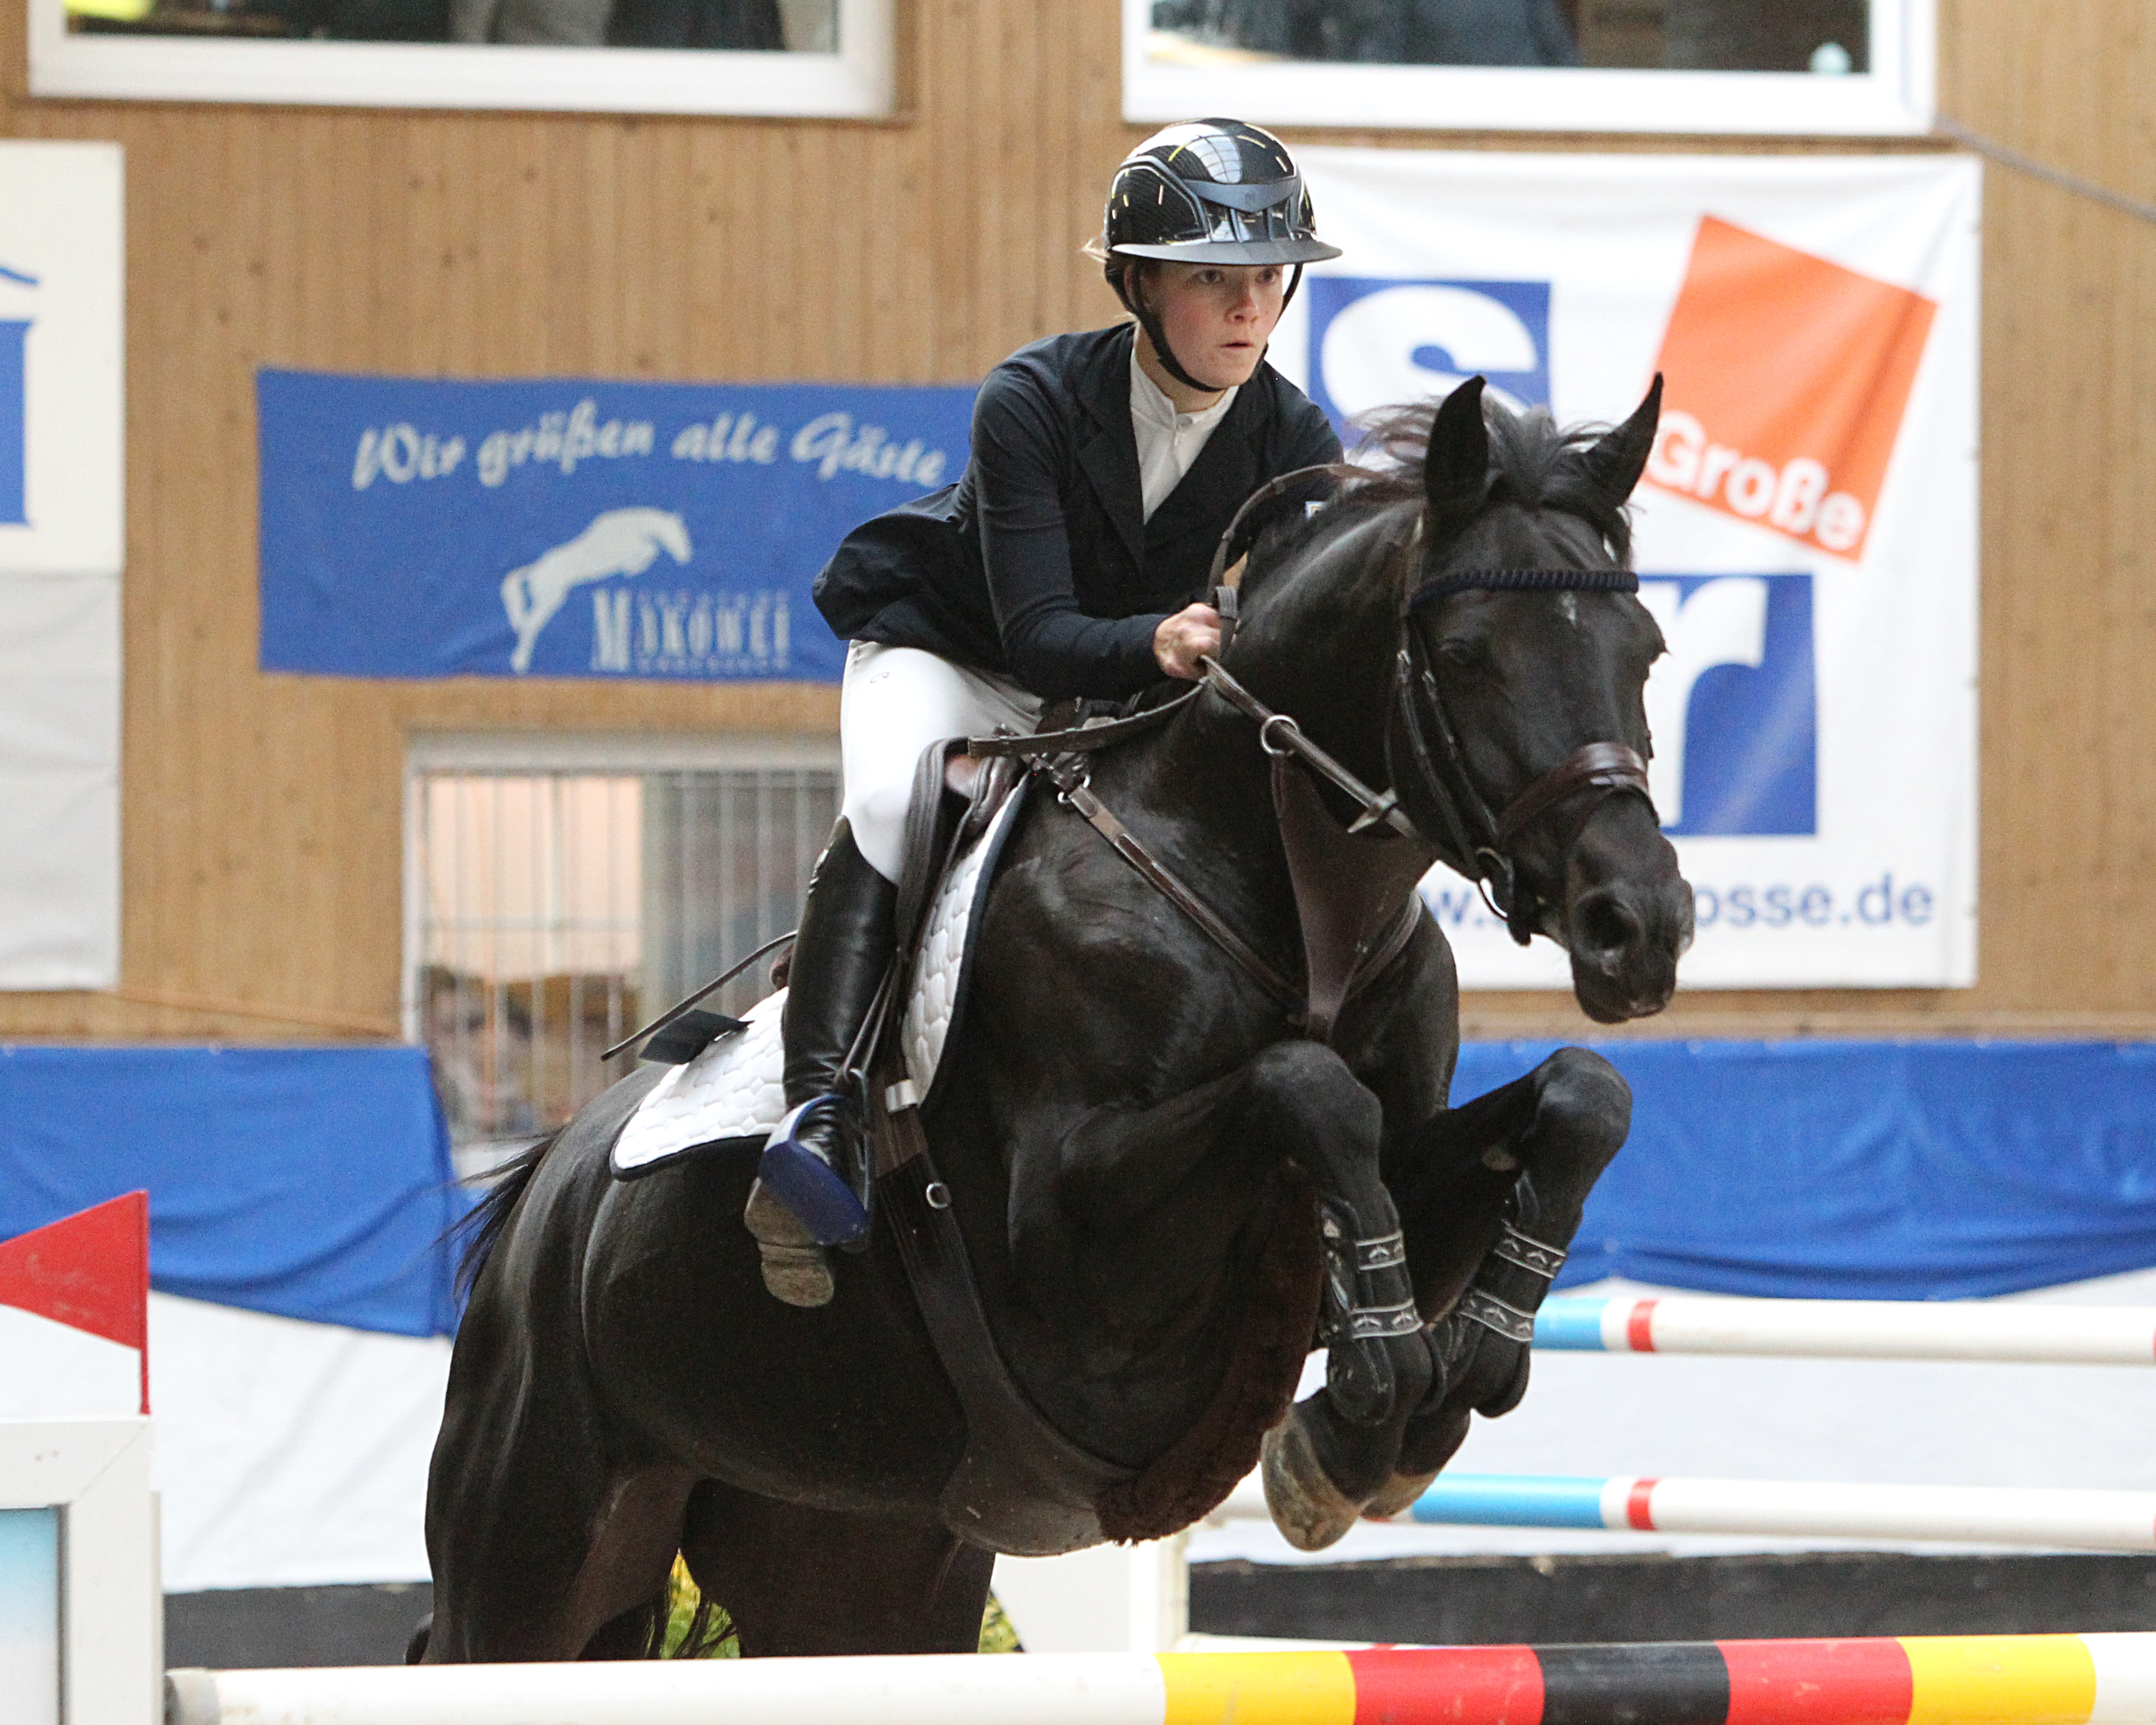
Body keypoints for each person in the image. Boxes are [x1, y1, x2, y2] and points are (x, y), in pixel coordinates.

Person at [748, 117, 1345, 1306]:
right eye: (1212, 281)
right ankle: (821, 1114)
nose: (1249, 310)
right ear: (1138, 284)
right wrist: (1164, 640)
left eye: (1268, 281)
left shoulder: (1297, 443)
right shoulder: (1030, 398)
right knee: (895, 796)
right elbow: (1035, 637)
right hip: (959, 651)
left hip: (1128, 687)